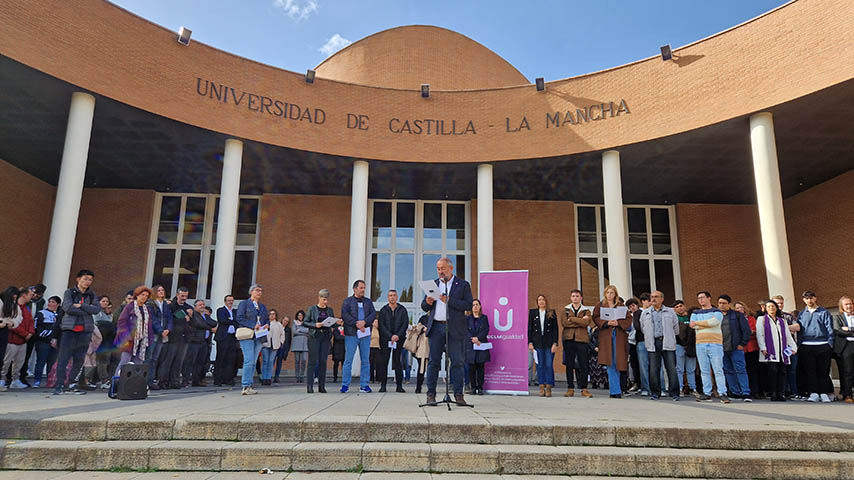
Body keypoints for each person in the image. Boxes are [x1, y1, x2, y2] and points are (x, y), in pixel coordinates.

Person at [422, 257, 474, 406]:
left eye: (443, 268)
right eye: (438, 269)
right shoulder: (434, 284)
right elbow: (424, 307)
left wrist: (449, 300)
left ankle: (458, 394)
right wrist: (427, 302)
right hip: (437, 327)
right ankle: (430, 394)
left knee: (457, 362)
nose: (440, 272)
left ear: (451, 269)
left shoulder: (462, 285)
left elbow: (468, 304)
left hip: (454, 328)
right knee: (433, 362)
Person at [54, 269, 101, 395]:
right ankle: (59, 385)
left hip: (85, 330)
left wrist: (81, 306)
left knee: (79, 359)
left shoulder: (91, 294)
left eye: (90, 279)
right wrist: (87, 310)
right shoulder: (69, 292)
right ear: (78, 279)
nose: (87, 282)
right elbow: (68, 308)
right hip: (69, 330)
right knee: (63, 358)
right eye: (85, 279)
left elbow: (97, 309)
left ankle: (72, 383)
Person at [638, 291, 680, 401]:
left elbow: (676, 328)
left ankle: (674, 393)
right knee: (654, 369)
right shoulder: (645, 313)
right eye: (652, 297)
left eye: (656, 297)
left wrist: (670, 336)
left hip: (667, 341)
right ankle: (655, 393)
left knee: (671, 368)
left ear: (662, 299)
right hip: (653, 342)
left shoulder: (670, 311)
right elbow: (643, 328)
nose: (653, 299)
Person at [690, 291, 730, 403]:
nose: (701, 300)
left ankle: (722, 392)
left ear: (709, 298)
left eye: (703, 297)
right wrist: (703, 323)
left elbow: (714, 322)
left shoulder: (717, 311)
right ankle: (706, 392)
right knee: (704, 370)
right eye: (699, 298)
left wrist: (699, 324)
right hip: (700, 344)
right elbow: (692, 325)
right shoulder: (695, 313)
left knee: (718, 369)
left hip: (715, 343)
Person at [593, 285, 632, 398]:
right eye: (607, 292)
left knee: (618, 362)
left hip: (619, 335)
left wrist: (618, 323)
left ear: (615, 294)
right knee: (610, 362)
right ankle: (615, 391)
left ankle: (616, 389)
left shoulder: (621, 306)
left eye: (611, 293)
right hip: (606, 335)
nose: (609, 295)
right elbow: (595, 317)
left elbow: (628, 319)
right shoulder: (600, 305)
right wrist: (606, 323)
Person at [796, 291, 834, 403]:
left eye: (811, 298)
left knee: (823, 371)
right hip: (806, 345)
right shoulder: (802, 314)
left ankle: (824, 393)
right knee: (810, 371)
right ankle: (813, 393)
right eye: (806, 298)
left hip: (822, 344)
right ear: (804, 300)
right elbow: (800, 330)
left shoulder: (824, 312)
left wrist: (830, 344)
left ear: (815, 298)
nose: (809, 300)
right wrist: (799, 345)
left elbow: (829, 329)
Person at [756, 299, 797, 401]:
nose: (771, 308)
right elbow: (760, 334)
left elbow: (788, 336)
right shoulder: (762, 319)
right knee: (773, 371)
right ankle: (773, 393)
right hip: (770, 350)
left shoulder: (782, 321)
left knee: (782, 372)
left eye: (773, 306)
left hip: (782, 350)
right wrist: (763, 347)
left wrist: (793, 347)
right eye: (769, 306)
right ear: (765, 308)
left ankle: (781, 393)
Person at [340, 280, 377, 393]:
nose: (363, 290)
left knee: (365, 360)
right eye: (361, 287)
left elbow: (373, 314)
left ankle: (364, 385)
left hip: (365, 334)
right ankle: (345, 385)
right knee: (348, 360)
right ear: (355, 289)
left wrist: (364, 322)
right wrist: (356, 323)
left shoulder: (368, 302)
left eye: (364, 287)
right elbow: (344, 314)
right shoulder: (347, 301)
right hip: (351, 334)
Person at [113, 286, 155, 377]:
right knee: (125, 362)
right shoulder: (130, 306)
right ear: (137, 295)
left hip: (141, 340)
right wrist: (126, 335)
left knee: (138, 363)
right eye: (142, 295)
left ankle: (132, 384)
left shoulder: (146, 309)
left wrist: (150, 338)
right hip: (129, 340)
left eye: (146, 296)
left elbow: (149, 324)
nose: (144, 297)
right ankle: (116, 383)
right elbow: (121, 321)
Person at [718, 295, 752, 401]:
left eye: (724, 303)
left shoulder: (737, 315)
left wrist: (742, 343)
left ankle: (745, 392)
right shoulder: (717, 316)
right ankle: (735, 392)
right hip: (722, 348)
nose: (721, 305)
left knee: (740, 370)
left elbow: (746, 330)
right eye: (719, 303)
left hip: (736, 347)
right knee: (728, 370)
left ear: (729, 304)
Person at [236, 284, 269, 395]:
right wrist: (252, 325)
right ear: (251, 292)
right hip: (248, 335)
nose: (259, 292)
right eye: (257, 290)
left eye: (261, 291)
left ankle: (249, 385)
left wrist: (267, 325)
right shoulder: (244, 304)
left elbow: (266, 319)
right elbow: (239, 318)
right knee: (249, 360)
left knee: (253, 361)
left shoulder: (262, 306)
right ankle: (245, 385)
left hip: (259, 336)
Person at [158, 287, 193, 389]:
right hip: (173, 337)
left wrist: (191, 316)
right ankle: (163, 381)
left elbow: (192, 321)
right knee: (168, 360)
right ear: (177, 295)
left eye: (186, 296)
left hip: (184, 337)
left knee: (179, 361)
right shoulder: (171, 306)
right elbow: (170, 319)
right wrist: (184, 316)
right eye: (182, 296)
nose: (184, 298)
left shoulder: (188, 307)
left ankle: (175, 381)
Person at [561, 289, 593, 398]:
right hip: (569, 339)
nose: (575, 298)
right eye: (573, 296)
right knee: (569, 364)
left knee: (583, 364)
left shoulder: (586, 310)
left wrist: (572, 319)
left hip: (582, 340)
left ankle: (584, 388)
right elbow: (564, 323)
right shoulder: (565, 309)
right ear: (571, 298)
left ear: (581, 298)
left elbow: (586, 323)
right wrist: (579, 320)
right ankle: (570, 388)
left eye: (577, 296)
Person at [2, 287, 34, 389]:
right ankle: (2, 379)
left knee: (19, 362)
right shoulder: (11, 306)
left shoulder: (26, 308)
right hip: (12, 339)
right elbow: (11, 322)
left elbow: (30, 321)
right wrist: (25, 333)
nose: (32, 296)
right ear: (24, 295)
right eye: (30, 294)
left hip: (23, 341)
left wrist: (31, 333)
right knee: (6, 362)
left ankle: (15, 380)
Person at [378, 289, 409, 393]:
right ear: (387, 297)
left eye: (394, 295)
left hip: (398, 340)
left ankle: (399, 386)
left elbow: (405, 324)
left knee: (397, 362)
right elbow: (381, 325)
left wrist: (397, 335)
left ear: (397, 297)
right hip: (385, 340)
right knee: (384, 362)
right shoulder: (383, 310)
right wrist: (390, 336)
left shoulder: (402, 309)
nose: (392, 297)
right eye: (390, 295)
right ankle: (383, 386)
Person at [528, 294, 558, 397]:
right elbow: (530, 328)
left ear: (546, 301)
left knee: (548, 365)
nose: (541, 301)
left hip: (549, 343)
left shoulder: (551, 312)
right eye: (539, 300)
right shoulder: (533, 313)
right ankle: (541, 386)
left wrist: (555, 343)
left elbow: (555, 329)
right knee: (539, 365)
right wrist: (530, 342)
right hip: (537, 343)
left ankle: (548, 386)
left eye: (543, 300)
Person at [306, 289, 334, 393]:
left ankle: (322, 386)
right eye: (323, 299)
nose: (325, 302)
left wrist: (337, 322)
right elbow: (305, 322)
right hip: (314, 337)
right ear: (319, 298)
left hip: (325, 337)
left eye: (327, 299)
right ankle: (310, 385)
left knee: (323, 361)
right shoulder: (312, 309)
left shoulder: (329, 310)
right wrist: (315, 325)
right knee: (312, 361)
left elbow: (331, 322)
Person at [772, 295, 800, 399]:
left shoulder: (788, 316)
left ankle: (794, 392)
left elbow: (797, 327)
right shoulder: (768, 318)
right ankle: (782, 392)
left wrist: (783, 327)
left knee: (792, 370)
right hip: (776, 348)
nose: (779, 305)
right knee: (780, 371)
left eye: (781, 303)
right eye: (777, 303)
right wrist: (788, 328)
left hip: (790, 348)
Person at [183, 300, 216, 386]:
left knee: (200, 362)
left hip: (204, 341)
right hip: (195, 341)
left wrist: (208, 325)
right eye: (200, 305)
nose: (202, 306)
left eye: (203, 304)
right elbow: (198, 324)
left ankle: (196, 380)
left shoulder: (205, 316)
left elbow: (214, 323)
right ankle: (185, 380)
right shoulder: (194, 314)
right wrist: (210, 328)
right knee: (190, 362)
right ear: (195, 306)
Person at [735, 301, 763, 400]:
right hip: (740, 348)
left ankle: (756, 391)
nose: (739, 309)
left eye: (740, 307)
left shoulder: (751, 319)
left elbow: (756, 330)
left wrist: (747, 332)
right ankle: (745, 390)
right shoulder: (734, 320)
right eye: (737, 308)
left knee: (753, 370)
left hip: (752, 347)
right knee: (742, 370)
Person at [20, 283, 46, 386]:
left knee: (27, 355)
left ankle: (23, 375)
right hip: (22, 328)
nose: (35, 296)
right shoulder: (25, 300)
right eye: (34, 293)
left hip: (33, 330)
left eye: (38, 295)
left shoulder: (41, 302)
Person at [33, 295, 61, 387]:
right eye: (49, 301)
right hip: (43, 342)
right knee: (41, 361)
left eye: (53, 302)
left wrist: (56, 338)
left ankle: (50, 381)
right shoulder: (42, 313)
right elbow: (37, 328)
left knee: (52, 363)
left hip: (56, 343)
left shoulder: (60, 315)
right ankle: (37, 381)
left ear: (58, 304)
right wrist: (50, 336)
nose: (50, 304)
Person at [146, 285, 170, 389]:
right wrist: (161, 330)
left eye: (162, 290)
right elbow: (153, 319)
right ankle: (145, 380)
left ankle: (151, 381)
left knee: (155, 358)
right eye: (159, 290)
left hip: (163, 333)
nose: (161, 292)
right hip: (154, 333)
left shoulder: (164, 304)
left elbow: (169, 318)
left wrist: (168, 329)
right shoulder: (150, 304)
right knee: (149, 357)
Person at [0, 287, 23, 393]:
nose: (14, 298)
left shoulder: (14, 305)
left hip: (4, 330)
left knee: (1, 357)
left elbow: (18, 317)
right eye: (13, 296)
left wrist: (11, 323)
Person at [832, 296, 854, 403]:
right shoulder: (837, 317)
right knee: (847, 371)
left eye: (850, 304)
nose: (849, 306)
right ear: (842, 306)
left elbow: (844, 330)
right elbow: (838, 331)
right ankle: (848, 394)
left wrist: (849, 329)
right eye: (846, 304)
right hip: (846, 347)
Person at [465, 298, 490, 396]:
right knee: (471, 368)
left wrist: (478, 338)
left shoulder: (484, 318)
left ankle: (480, 388)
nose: (475, 307)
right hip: (471, 346)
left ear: (480, 307)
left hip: (481, 345)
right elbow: (465, 330)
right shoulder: (467, 318)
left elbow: (486, 330)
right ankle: (473, 387)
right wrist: (473, 339)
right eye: (473, 305)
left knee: (480, 367)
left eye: (477, 305)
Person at [631, 293, 653, 396]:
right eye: (648, 300)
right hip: (641, 340)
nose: (650, 302)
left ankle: (657, 387)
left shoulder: (654, 311)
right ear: (643, 301)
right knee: (643, 366)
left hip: (654, 340)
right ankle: (645, 387)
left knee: (655, 365)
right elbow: (637, 326)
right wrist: (649, 331)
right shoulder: (638, 313)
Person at [673, 300, 697, 395]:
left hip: (690, 345)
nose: (680, 308)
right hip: (679, 345)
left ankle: (692, 388)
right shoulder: (674, 318)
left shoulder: (691, 317)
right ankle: (680, 388)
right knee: (679, 369)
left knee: (691, 369)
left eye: (681, 306)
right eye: (677, 306)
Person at [214, 295, 238, 386]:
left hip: (232, 337)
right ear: (225, 301)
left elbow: (238, 321)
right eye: (228, 300)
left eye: (232, 300)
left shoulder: (235, 311)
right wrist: (232, 321)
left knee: (230, 359)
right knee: (221, 358)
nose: (230, 302)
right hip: (223, 337)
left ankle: (228, 379)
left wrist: (231, 320)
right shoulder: (221, 310)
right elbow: (222, 320)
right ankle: (218, 379)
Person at [260, 309, 283, 386]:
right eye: (270, 314)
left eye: (273, 314)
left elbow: (282, 334)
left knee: (271, 361)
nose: (272, 315)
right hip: (266, 344)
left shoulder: (278, 324)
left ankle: (269, 378)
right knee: (265, 361)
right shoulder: (265, 323)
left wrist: (280, 342)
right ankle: (264, 378)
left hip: (275, 345)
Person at [291, 310, 309, 383]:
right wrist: (304, 332)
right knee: (297, 361)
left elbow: (308, 330)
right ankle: (297, 376)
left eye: (301, 315)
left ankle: (302, 375)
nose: (300, 316)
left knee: (304, 360)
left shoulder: (306, 323)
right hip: (296, 344)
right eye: (298, 315)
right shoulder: (294, 323)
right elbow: (294, 331)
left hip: (305, 344)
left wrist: (300, 330)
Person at [273, 315, 292, 383]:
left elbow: (289, 341)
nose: (285, 322)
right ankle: (268, 376)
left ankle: (276, 377)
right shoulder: (277, 326)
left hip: (282, 348)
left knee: (279, 363)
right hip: (275, 346)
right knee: (272, 361)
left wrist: (286, 350)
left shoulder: (288, 330)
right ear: (282, 320)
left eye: (287, 321)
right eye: (284, 320)